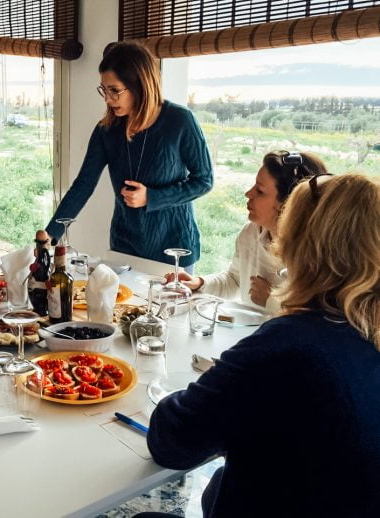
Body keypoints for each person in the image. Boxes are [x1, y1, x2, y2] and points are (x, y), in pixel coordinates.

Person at [147, 173, 380, 517]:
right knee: (217, 486)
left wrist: (187, 390)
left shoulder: (287, 344)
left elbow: (171, 442)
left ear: (300, 245)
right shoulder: (363, 333)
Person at [44, 41, 213, 271]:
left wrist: (151, 197)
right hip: (124, 247)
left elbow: (204, 181)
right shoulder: (107, 130)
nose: (107, 98)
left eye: (115, 90)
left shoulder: (180, 121)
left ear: (139, 85)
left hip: (173, 249)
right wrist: (51, 232)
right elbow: (83, 185)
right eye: (104, 89)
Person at [166, 151, 327, 312]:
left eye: (260, 191)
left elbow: (316, 320)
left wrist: (270, 300)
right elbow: (235, 280)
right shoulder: (251, 232)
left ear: (288, 203)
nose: (248, 194)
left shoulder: (315, 255)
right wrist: (200, 283)